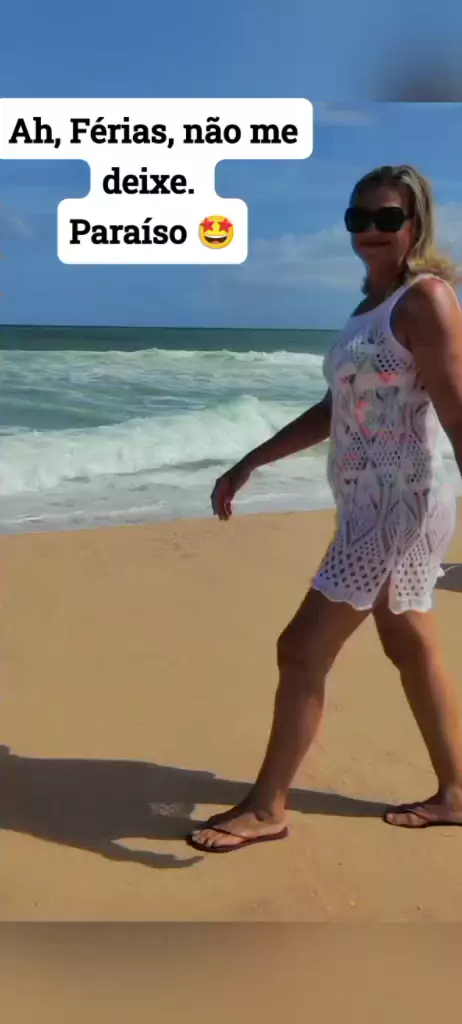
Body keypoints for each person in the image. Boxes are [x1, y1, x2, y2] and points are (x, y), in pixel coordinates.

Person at [187, 164, 462, 854]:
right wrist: (252, 459)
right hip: (365, 504)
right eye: (357, 218)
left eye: (386, 218)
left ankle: (267, 807)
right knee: (410, 646)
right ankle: (457, 791)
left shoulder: (426, 300)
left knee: (301, 648)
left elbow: (457, 408)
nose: (370, 230)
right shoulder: (373, 305)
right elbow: (338, 408)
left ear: (416, 224)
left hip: (401, 507)